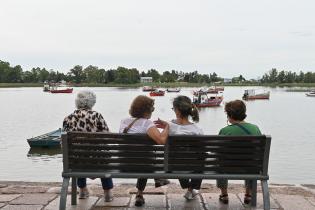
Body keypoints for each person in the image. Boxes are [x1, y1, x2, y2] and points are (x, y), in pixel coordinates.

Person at [63, 90, 114, 202]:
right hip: (98, 160)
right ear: (92, 102)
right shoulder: (97, 116)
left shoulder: (68, 118)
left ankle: (82, 190)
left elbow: (63, 142)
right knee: (103, 156)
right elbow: (107, 136)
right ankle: (107, 193)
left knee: (78, 154)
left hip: (77, 161)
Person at [119, 95, 170, 207]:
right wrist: (167, 126)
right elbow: (161, 141)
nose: (152, 111)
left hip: (124, 164)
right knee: (145, 158)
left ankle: (149, 186)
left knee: (141, 156)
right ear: (146, 110)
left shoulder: (123, 122)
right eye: (152, 108)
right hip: (144, 166)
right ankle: (154, 181)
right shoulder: (147, 123)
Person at [156, 95, 203, 200]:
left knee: (179, 157)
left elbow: (162, 139)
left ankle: (188, 187)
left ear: (177, 111)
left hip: (172, 167)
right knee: (201, 159)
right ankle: (191, 189)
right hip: (191, 167)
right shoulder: (197, 130)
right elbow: (200, 152)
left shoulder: (169, 126)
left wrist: (167, 124)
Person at [216, 100, 262, 205]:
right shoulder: (255, 129)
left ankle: (224, 195)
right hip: (250, 168)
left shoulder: (225, 131)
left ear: (230, 115)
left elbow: (219, 153)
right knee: (252, 162)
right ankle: (248, 195)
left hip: (227, 168)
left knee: (219, 163)